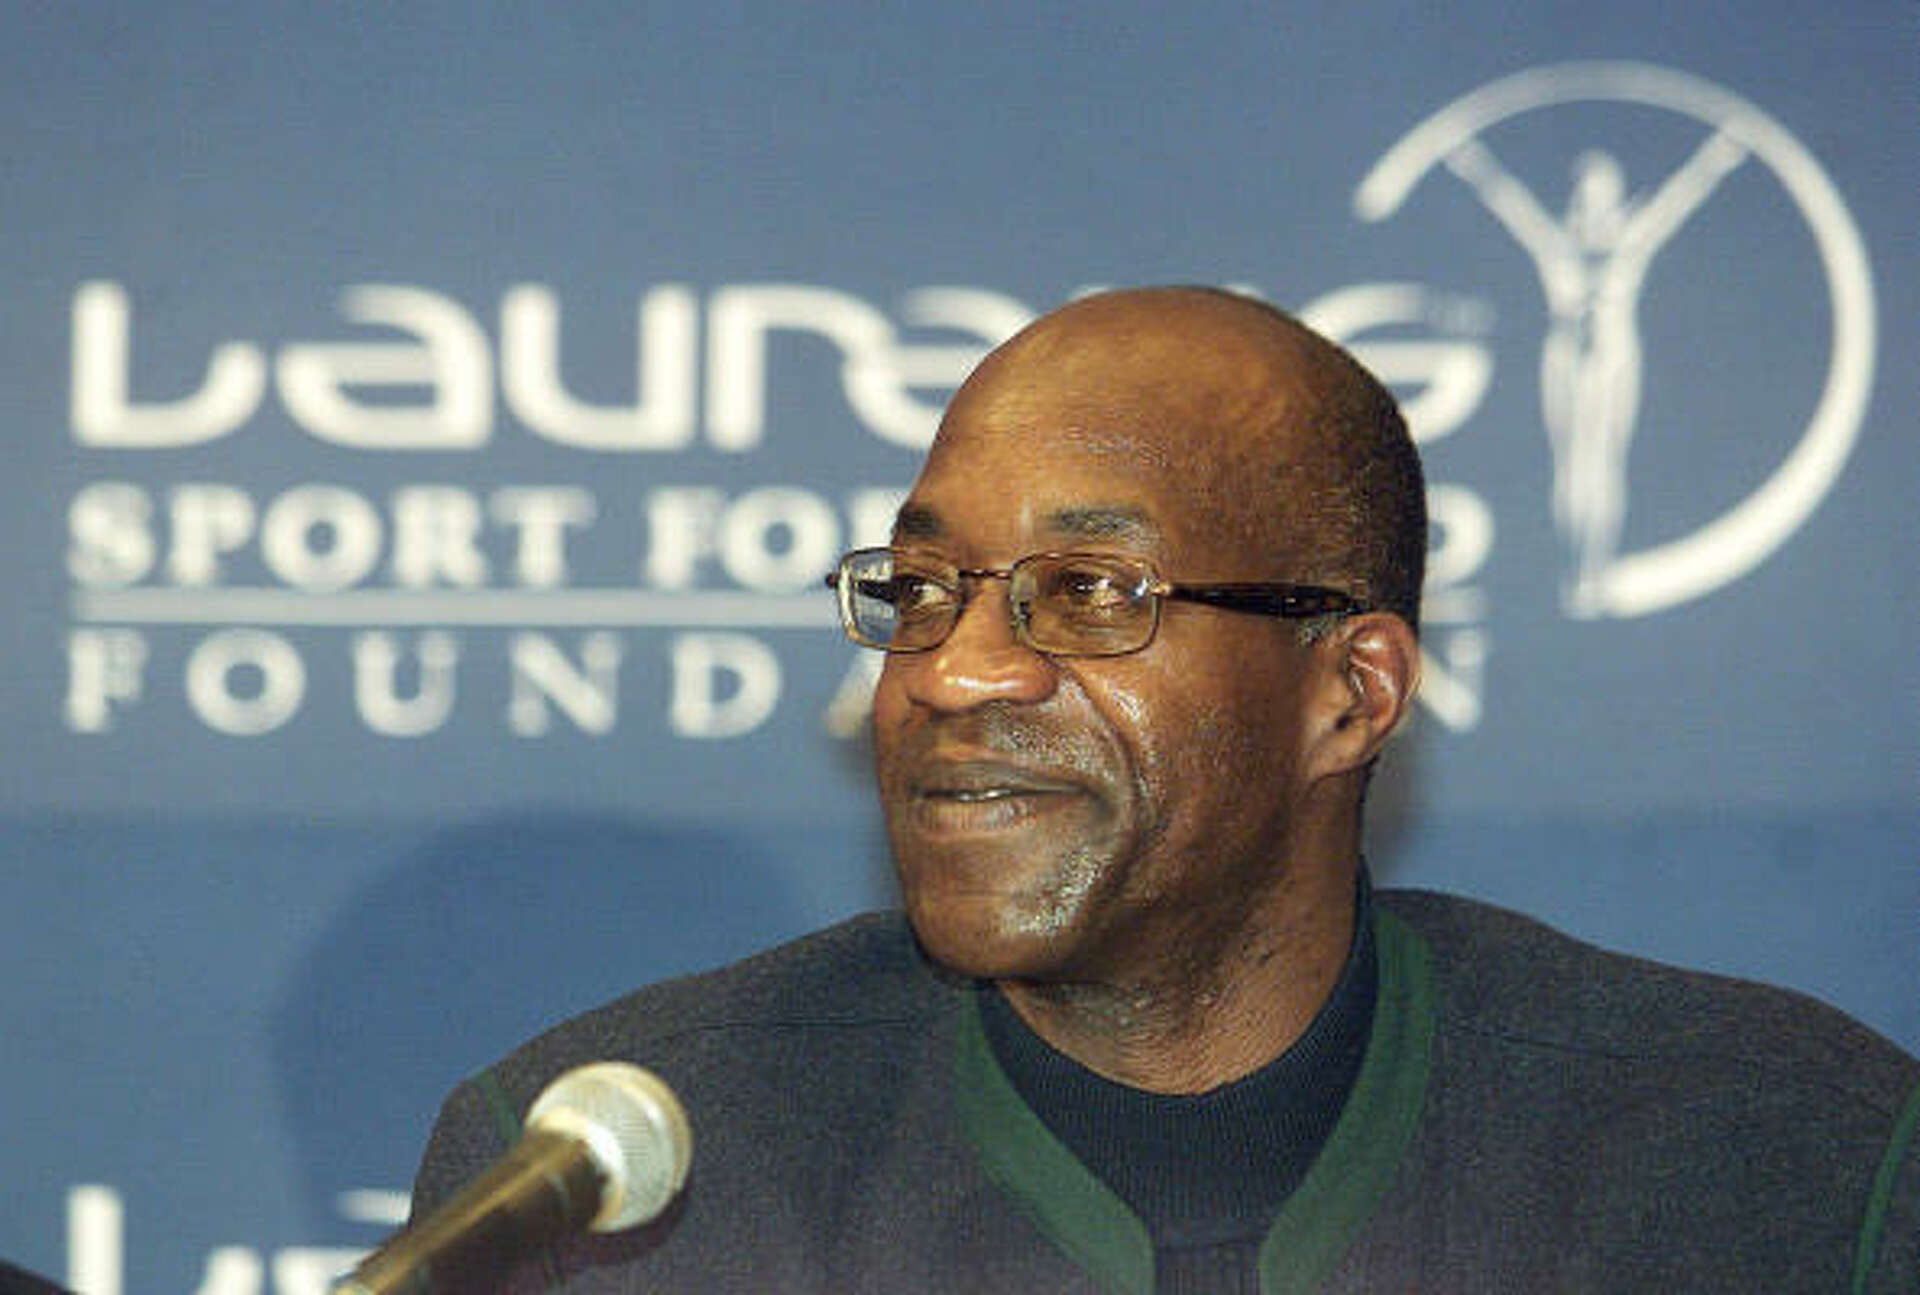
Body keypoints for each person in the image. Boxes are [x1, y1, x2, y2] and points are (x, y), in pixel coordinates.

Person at [407, 287, 1919, 1291]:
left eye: (1086, 592)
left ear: (1352, 692)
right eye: (922, 588)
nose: (955, 672)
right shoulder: (597, 1204)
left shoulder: (1783, 1166)